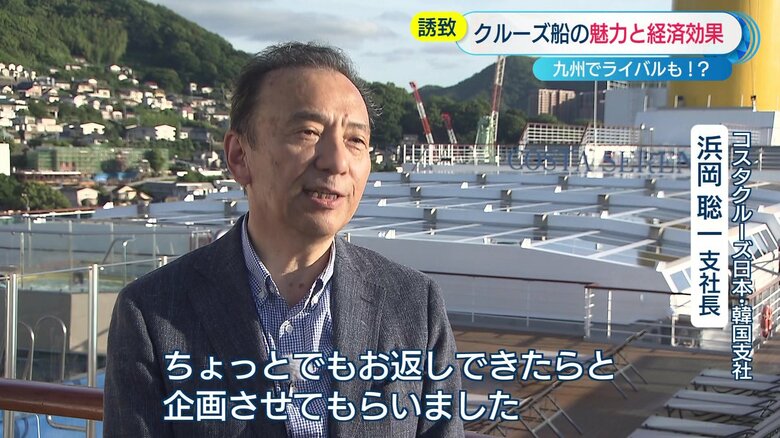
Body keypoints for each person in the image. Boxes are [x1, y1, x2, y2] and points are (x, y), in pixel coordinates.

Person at [104, 41, 464, 437]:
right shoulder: (153, 312)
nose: (337, 161)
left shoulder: (414, 304)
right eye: (308, 132)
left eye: (355, 141)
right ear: (239, 156)